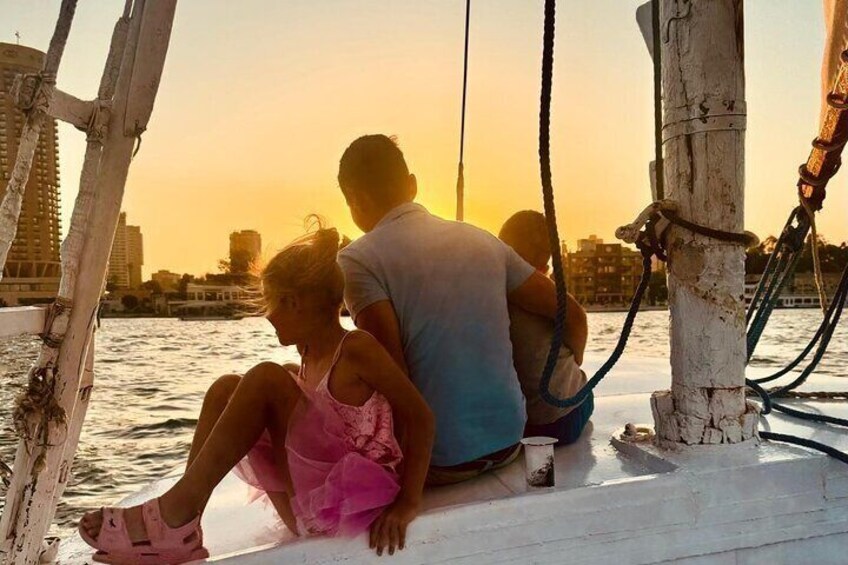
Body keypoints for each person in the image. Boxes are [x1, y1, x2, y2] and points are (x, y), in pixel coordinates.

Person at [78, 224, 435, 564]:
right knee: (226, 388)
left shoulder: (357, 348)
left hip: (348, 504)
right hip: (308, 503)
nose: (268, 316)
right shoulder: (308, 355)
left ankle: (171, 517)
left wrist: (407, 502)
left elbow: (420, 417)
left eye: (272, 303)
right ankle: (184, 524)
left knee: (266, 376)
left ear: (295, 303)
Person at [336, 134, 588, 486]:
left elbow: (393, 377)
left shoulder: (356, 260)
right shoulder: (484, 240)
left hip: (440, 460)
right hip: (510, 442)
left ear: (355, 201)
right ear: (412, 185)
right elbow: (570, 312)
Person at [499, 210, 593, 444]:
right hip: (559, 422)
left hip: (518, 425)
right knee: (585, 389)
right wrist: (577, 357)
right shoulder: (538, 290)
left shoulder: (492, 293)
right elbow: (577, 319)